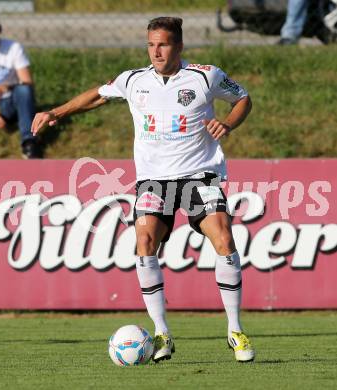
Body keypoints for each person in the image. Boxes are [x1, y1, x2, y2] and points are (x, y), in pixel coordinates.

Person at [31, 17, 255, 363]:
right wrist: (56, 112)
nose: (156, 51)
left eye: (163, 44)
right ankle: (163, 333)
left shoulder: (205, 76)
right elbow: (97, 95)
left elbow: (243, 99)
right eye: (151, 45)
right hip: (154, 179)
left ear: (178, 46)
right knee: (145, 242)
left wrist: (227, 123)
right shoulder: (134, 81)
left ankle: (235, 330)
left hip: (199, 174)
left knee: (223, 238)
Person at [0, 13, 39, 158]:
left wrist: (7, 86)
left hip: (8, 102)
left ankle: (28, 142)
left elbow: (27, 81)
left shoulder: (13, 48)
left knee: (24, 90)